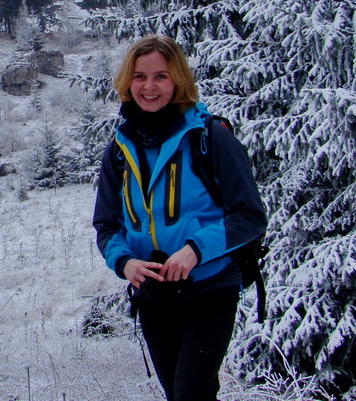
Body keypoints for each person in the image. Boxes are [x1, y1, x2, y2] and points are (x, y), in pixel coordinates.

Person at [92, 35, 267, 401]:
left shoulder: (210, 138)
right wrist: (125, 263)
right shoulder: (119, 149)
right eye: (140, 77)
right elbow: (106, 225)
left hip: (209, 285)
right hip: (154, 293)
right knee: (178, 394)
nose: (149, 86)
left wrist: (195, 250)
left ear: (179, 81)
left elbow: (249, 216)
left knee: (192, 392)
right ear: (128, 82)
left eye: (161, 76)